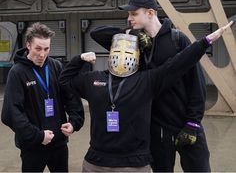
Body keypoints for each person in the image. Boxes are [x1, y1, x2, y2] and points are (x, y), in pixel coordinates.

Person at [59, 21, 233, 172]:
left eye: (129, 51)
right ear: (110, 51)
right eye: (118, 49)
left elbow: (177, 64)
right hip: (97, 161)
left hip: (134, 163)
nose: (122, 55)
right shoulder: (94, 79)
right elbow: (65, 81)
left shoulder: (146, 80)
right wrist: (79, 59)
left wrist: (204, 42)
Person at [90, 0, 213, 172]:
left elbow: (196, 83)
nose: (129, 18)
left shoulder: (177, 40)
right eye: (129, 14)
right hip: (156, 128)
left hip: (186, 123)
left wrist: (193, 123)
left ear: (150, 13)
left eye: (134, 13)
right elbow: (96, 33)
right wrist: (130, 33)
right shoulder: (132, 44)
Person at [1, 22, 84, 172]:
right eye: (38, 48)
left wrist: (73, 122)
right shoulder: (17, 72)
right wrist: (37, 136)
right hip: (33, 145)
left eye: (46, 49)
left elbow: (71, 97)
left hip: (58, 142)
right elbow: (11, 113)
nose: (42, 54)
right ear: (28, 45)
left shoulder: (56, 66)